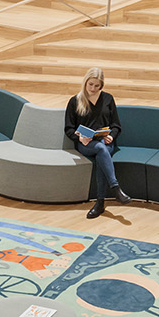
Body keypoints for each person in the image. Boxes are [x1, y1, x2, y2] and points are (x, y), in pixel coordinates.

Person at [64, 66, 131, 220]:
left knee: (102, 152)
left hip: (105, 142)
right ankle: (116, 188)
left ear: (101, 85)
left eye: (97, 85)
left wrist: (111, 136)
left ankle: (100, 203)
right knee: (101, 149)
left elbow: (116, 125)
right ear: (85, 82)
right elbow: (68, 129)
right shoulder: (75, 101)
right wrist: (80, 138)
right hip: (86, 144)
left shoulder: (108, 99)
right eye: (90, 84)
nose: (93, 88)